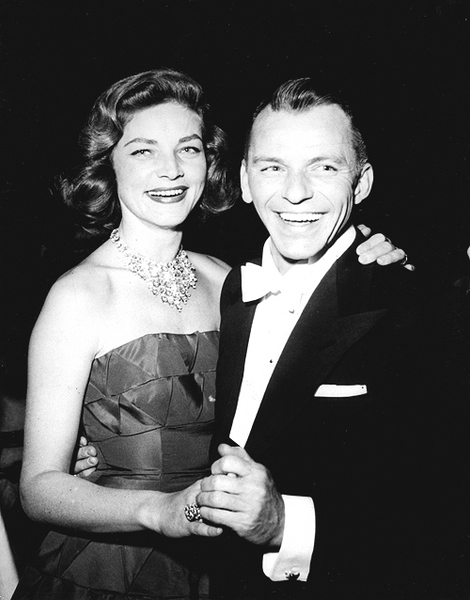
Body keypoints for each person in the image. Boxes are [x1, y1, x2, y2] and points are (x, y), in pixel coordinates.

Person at [13, 68, 405, 600]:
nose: (170, 170)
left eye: (189, 149)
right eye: (143, 151)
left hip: (225, 570)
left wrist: (376, 255)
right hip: (109, 569)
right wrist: (160, 510)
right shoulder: (77, 296)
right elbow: (37, 488)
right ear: (109, 164)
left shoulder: (231, 280)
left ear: (211, 162)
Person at [195, 78, 446, 599]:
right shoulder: (234, 291)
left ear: (362, 182)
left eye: (324, 167)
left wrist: (285, 524)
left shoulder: (422, 310)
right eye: (272, 167)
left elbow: (439, 511)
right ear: (244, 180)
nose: (294, 192)